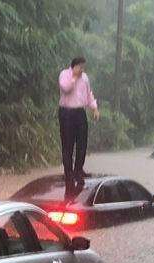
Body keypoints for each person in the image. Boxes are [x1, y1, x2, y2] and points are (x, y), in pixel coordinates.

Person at [58, 56, 100, 191]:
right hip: (66, 113)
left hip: (80, 112)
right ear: (74, 66)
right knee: (68, 144)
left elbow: (88, 94)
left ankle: (78, 170)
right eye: (80, 67)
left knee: (82, 143)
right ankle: (68, 172)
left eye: (83, 67)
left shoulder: (85, 78)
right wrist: (74, 78)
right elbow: (65, 88)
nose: (82, 69)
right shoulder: (65, 74)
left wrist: (94, 108)